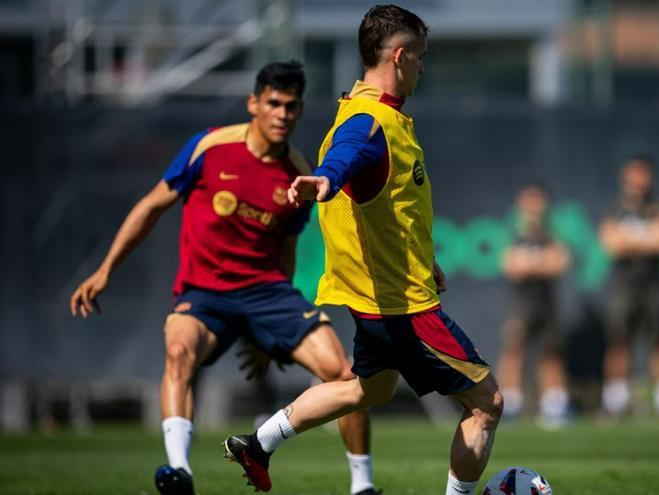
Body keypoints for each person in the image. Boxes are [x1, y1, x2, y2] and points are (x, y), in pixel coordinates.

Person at [222, 6, 503, 495]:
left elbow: (385, 205)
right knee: (487, 403)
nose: (422, 68)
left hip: (372, 303)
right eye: (419, 58)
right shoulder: (369, 122)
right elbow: (346, 156)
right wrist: (324, 179)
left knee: (368, 388)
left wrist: (424, 258)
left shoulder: (365, 112)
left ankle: (259, 443)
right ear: (399, 56)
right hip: (404, 309)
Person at [69, 60, 380, 495]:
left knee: (342, 373)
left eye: (291, 106)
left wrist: (269, 335)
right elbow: (151, 206)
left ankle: (362, 486)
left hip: (268, 292)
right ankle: (178, 471)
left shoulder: (299, 170)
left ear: (300, 111)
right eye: (273, 103)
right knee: (178, 350)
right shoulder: (210, 147)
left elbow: (286, 249)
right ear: (254, 103)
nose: (282, 114)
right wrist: (105, 270)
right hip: (205, 293)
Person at [598, 155, 659, 417]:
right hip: (624, 287)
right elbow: (610, 243)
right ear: (625, 178)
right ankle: (614, 404)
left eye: (643, 176)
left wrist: (631, 240)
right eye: (633, 176)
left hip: (654, 286)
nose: (638, 182)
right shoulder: (614, 207)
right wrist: (647, 238)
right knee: (618, 341)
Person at [496, 183, 572, 427]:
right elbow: (511, 266)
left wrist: (531, 263)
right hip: (521, 302)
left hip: (547, 301)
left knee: (550, 351)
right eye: (529, 200)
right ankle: (509, 405)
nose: (534, 206)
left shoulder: (552, 232)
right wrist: (539, 263)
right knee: (514, 348)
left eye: (538, 200)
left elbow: (559, 263)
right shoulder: (512, 232)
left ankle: (555, 406)